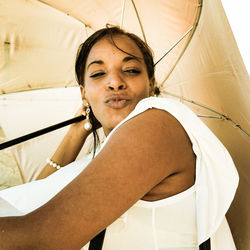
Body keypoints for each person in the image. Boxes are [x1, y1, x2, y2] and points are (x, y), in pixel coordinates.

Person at [0, 26, 239, 250]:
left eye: (131, 70)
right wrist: (77, 132)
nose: (115, 83)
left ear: (151, 85)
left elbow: (43, 238)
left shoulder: (157, 125)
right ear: (84, 93)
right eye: (98, 73)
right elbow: (37, 195)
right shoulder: (101, 154)